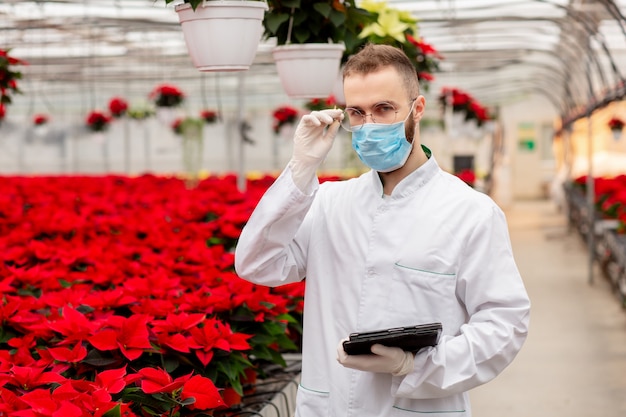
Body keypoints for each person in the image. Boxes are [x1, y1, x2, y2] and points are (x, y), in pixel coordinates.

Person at [234, 43, 530, 417]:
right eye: (357, 113)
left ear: (416, 109)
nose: (369, 125)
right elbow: (257, 264)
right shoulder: (329, 202)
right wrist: (300, 169)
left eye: (384, 109)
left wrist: (416, 366)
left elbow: (504, 323)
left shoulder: (470, 212)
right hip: (328, 404)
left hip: (416, 406)